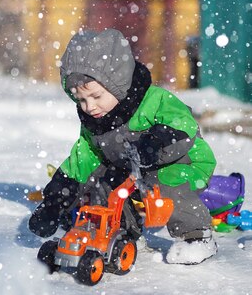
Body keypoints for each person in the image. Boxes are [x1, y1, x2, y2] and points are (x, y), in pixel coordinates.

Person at [28, 29, 217, 265]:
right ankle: (121, 234)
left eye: (96, 96)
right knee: (101, 183)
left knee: (166, 183)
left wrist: (155, 142)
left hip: (182, 160)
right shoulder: (96, 123)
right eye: (81, 100)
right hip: (134, 170)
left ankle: (197, 236)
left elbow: (183, 125)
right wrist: (54, 203)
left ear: (117, 82)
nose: (89, 107)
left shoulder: (153, 100)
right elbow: (81, 162)